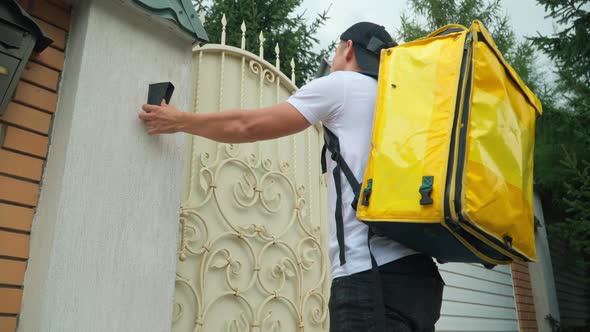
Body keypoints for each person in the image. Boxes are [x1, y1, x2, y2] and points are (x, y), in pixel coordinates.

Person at [139, 22, 444, 332]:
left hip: (370, 275)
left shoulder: (343, 85)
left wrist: (180, 121)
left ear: (348, 48)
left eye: (336, 50)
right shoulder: (399, 104)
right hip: (421, 281)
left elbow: (249, 126)